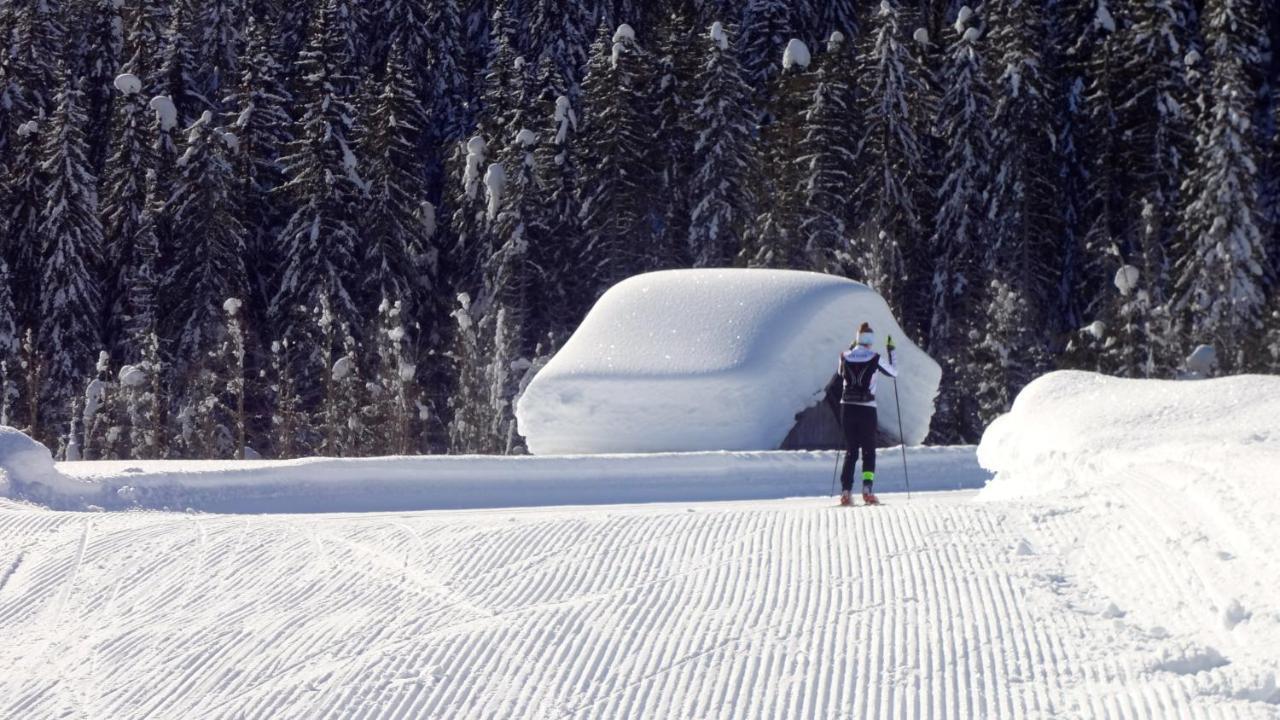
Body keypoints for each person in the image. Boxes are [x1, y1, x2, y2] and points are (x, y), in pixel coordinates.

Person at [836, 322, 897, 505]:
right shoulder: (875, 357)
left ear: (856, 339)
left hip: (847, 407)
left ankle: (846, 492)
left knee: (850, 451)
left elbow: (840, 374)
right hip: (867, 407)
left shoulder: (844, 356)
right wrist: (891, 351)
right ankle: (867, 489)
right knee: (868, 451)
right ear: (870, 341)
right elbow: (894, 373)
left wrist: (850, 349)